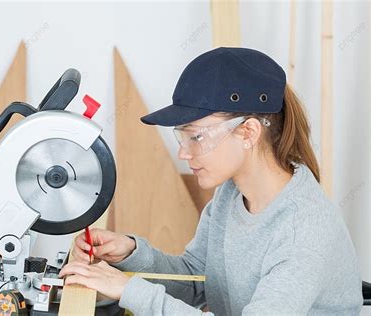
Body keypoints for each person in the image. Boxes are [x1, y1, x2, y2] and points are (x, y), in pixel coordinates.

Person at [59, 47, 363, 315]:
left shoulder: (302, 231)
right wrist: (131, 254)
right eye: (183, 136)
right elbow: (196, 280)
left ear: (249, 133)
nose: (182, 151)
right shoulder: (231, 195)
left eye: (196, 136)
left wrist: (128, 290)